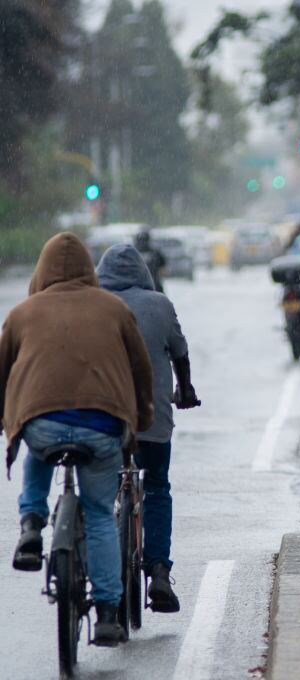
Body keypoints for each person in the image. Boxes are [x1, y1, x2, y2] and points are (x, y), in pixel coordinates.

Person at [3, 233, 154, 647]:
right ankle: (107, 612)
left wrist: (9, 421)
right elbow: (141, 371)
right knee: (101, 514)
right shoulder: (115, 309)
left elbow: (2, 372)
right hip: (102, 426)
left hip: (42, 422)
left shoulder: (21, 313)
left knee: (37, 447)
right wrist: (141, 419)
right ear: (90, 270)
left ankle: (32, 524)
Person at [97, 244, 201, 614]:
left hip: (104, 424)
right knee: (156, 486)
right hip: (152, 422)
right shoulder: (160, 304)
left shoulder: (93, 304)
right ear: (143, 273)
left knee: (99, 499)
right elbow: (180, 355)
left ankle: (101, 577)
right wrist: (184, 391)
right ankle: (157, 570)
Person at [135, 227, 167, 293]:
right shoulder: (156, 253)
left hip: (136, 287)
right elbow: (164, 271)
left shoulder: (132, 253)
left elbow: (164, 271)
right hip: (153, 287)